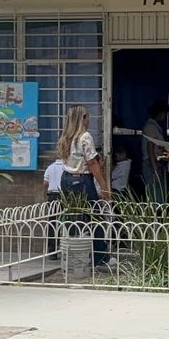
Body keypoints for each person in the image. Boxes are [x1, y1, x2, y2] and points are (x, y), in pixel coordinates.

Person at [57, 105, 111, 265]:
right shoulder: (85, 136)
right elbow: (92, 163)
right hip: (82, 179)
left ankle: (73, 254)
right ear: (82, 119)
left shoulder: (67, 137)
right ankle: (100, 257)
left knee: (74, 217)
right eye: (87, 116)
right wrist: (104, 186)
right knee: (95, 217)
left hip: (66, 178)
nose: (89, 119)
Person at [141, 100, 169, 202]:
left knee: (160, 194)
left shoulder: (155, 127)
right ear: (160, 113)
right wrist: (155, 170)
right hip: (151, 164)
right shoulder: (151, 127)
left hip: (156, 163)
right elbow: (150, 149)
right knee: (155, 195)